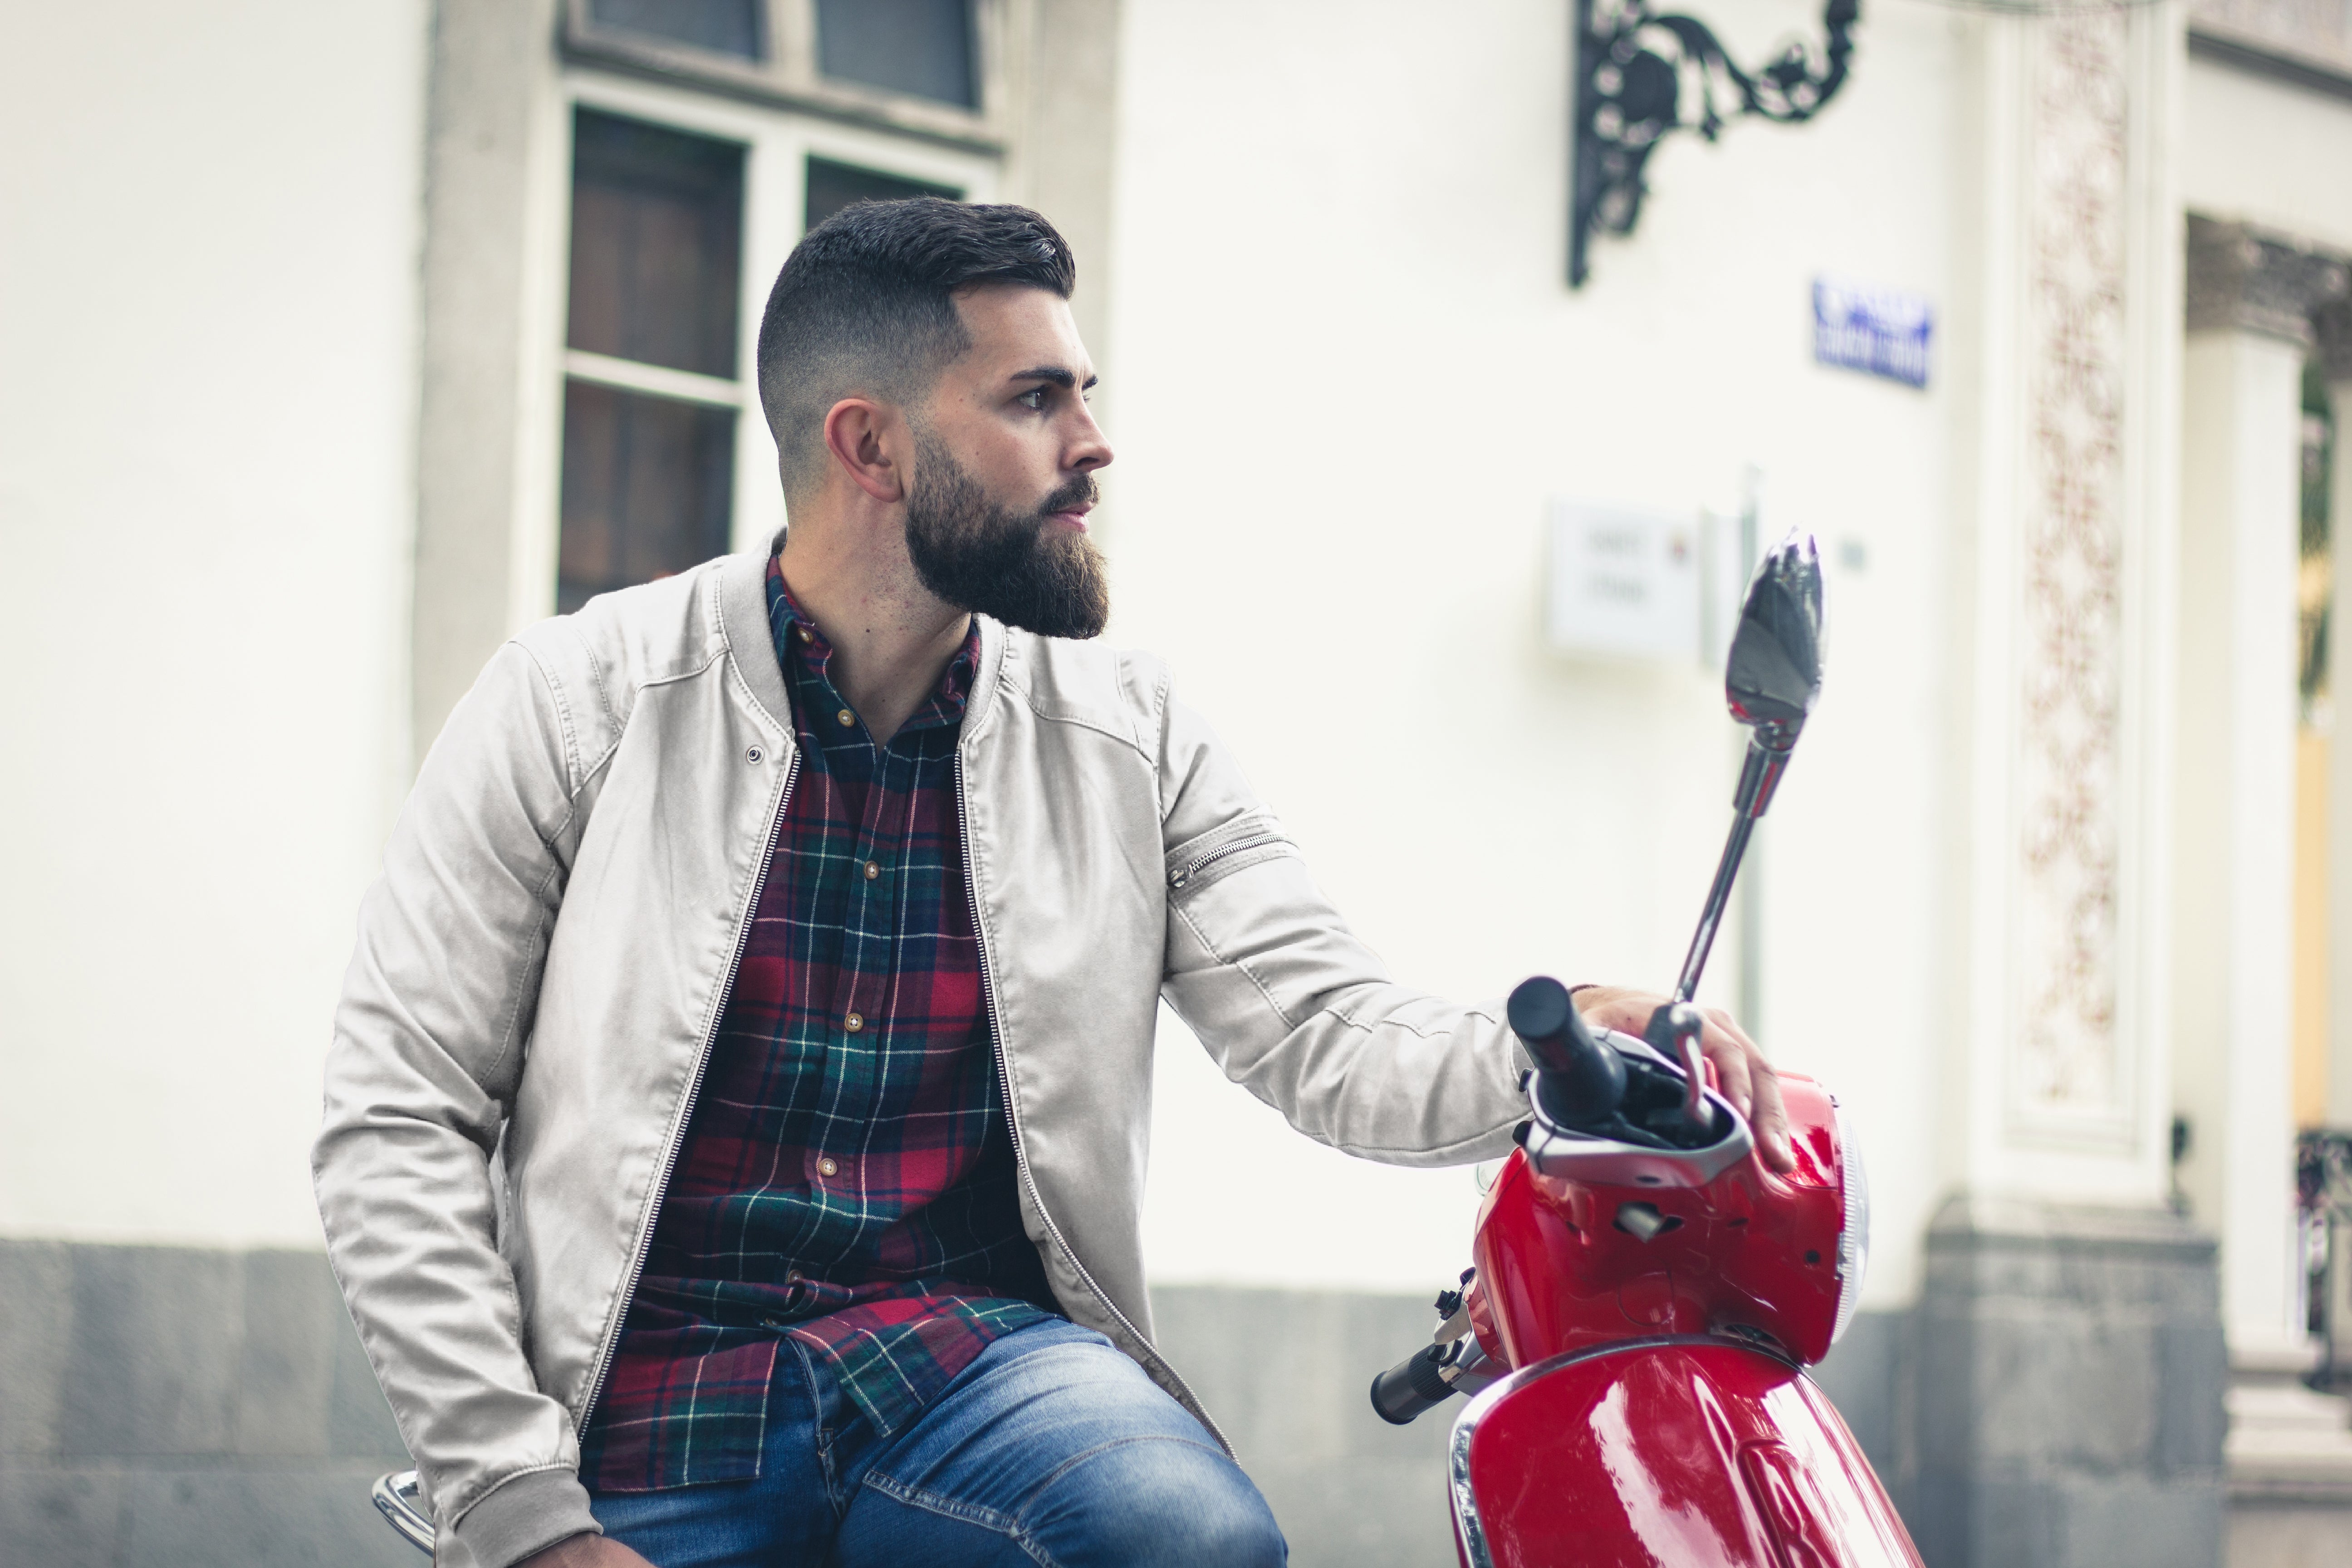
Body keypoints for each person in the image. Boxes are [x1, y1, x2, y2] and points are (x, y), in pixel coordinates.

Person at [314, 198, 1790, 1568]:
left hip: (976, 1375)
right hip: (645, 1404)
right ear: (872, 447)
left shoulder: (1130, 737)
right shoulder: (578, 700)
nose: (1093, 442)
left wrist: (1571, 1039)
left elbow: (1322, 1027)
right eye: (1036, 400)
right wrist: (517, 1508)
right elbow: (399, 1118)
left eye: (1086, 394)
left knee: (1193, 1542)